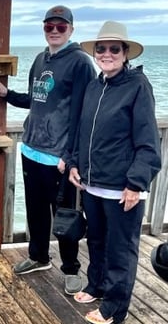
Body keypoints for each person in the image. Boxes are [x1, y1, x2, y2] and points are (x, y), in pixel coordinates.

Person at [0, 5, 96, 295]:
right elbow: (37, 100)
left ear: (71, 30)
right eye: (49, 26)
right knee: (36, 212)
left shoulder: (81, 63)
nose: (54, 31)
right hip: (32, 149)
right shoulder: (40, 59)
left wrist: (70, 156)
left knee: (65, 216)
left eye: (60, 27)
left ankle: (72, 268)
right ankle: (38, 257)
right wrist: (7, 95)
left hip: (60, 159)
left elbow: (82, 115)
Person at [69, 21, 161, 324]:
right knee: (95, 242)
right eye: (101, 48)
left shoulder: (138, 86)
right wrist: (73, 163)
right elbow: (83, 132)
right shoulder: (95, 86)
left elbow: (148, 143)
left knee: (121, 251)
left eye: (114, 49)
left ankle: (114, 308)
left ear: (125, 54)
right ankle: (96, 285)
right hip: (93, 186)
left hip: (124, 189)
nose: (107, 53)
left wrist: (136, 183)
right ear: (95, 52)